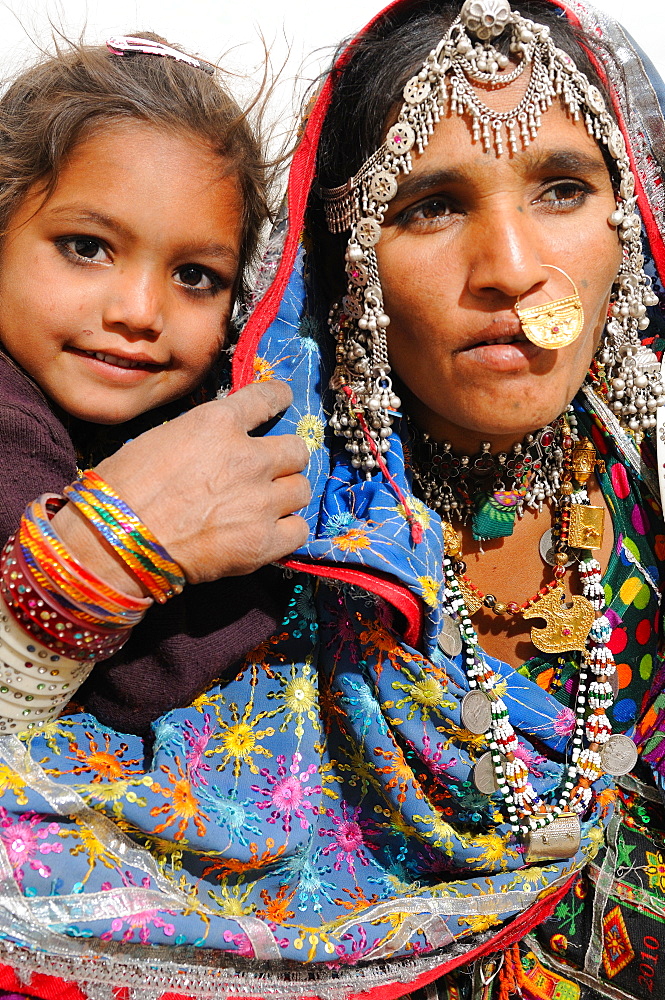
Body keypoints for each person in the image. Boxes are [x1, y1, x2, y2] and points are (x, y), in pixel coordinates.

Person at [0, 3, 664, 1000]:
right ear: (343, 262)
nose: (514, 271)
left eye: (563, 188)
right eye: (431, 204)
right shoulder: (244, 507)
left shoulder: (638, 480)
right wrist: (91, 566)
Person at [0, 33, 311, 736]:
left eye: (194, 276)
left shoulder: (187, 413)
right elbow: (136, 688)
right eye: (87, 248)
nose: (138, 314)